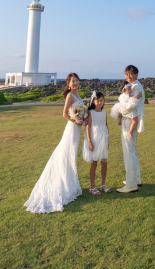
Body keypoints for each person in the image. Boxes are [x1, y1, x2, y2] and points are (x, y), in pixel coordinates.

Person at [24, 73, 85, 213]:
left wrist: (83, 117)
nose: (75, 83)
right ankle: (63, 185)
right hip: (72, 129)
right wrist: (76, 120)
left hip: (77, 129)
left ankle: (70, 185)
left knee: (71, 156)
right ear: (68, 84)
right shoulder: (70, 96)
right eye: (72, 81)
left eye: (77, 81)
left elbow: (78, 111)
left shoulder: (78, 95)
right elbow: (65, 114)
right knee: (65, 155)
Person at [113, 65, 145, 193]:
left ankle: (131, 184)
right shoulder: (133, 86)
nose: (128, 77)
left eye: (131, 74)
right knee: (132, 152)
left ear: (136, 74)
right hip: (128, 120)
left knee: (129, 153)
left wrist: (119, 108)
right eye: (126, 74)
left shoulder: (135, 87)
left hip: (129, 122)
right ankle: (135, 179)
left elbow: (130, 106)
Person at [82, 91, 111, 195]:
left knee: (104, 162)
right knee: (94, 163)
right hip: (94, 139)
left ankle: (103, 184)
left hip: (103, 139)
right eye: (98, 100)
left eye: (102, 100)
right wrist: (90, 142)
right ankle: (92, 187)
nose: (100, 102)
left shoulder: (104, 112)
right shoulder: (91, 113)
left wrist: (108, 140)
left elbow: (106, 126)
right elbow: (88, 127)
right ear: (93, 101)